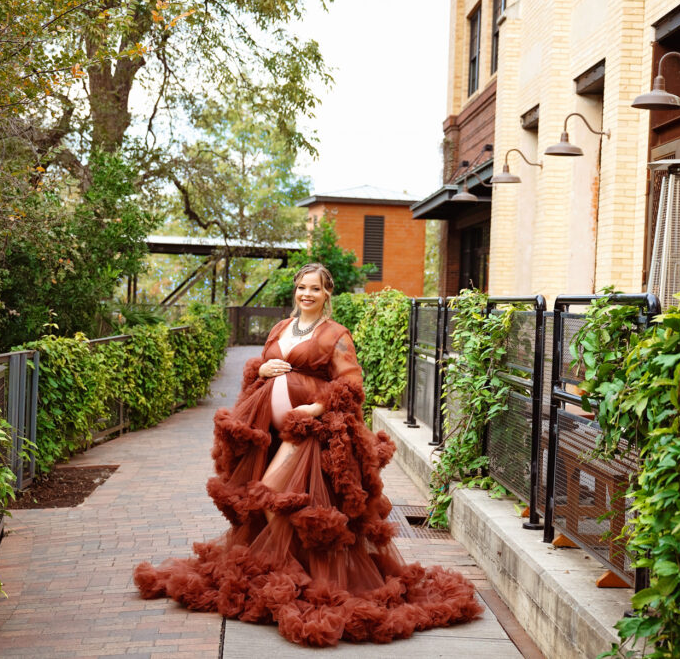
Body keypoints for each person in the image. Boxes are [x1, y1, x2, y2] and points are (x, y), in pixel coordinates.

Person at [134, 263, 482, 646]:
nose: (306, 294)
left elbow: (350, 384)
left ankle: (288, 572)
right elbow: (260, 371)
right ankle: (286, 567)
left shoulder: (335, 335)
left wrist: (313, 410)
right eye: (301, 287)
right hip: (268, 431)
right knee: (269, 497)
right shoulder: (280, 328)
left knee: (270, 491)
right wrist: (263, 368)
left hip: (311, 433)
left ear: (326, 294)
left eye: (314, 289)